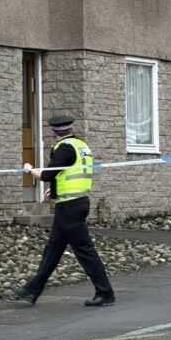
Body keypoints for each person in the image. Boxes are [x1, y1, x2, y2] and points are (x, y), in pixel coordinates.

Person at [14, 114, 116, 307]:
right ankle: (32, 290)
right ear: (69, 129)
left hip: (70, 206)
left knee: (85, 251)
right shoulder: (81, 146)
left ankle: (105, 292)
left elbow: (48, 174)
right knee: (53, 249)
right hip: (75, 201)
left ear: (54, 132)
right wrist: (55, 190)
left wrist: (28, 169)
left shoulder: (63, 148)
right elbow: (70, 172)